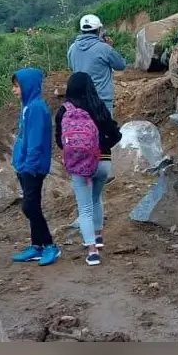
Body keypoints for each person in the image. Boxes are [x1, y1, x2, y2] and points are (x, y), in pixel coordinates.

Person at [55, 72, 122, 266]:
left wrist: (78, 152)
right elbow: (116, 135)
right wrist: (99, 148)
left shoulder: (63, 110)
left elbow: (60, 140)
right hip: (103, 162)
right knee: (96, 198)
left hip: (79, 166)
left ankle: (92, 252)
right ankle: (98, 236)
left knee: (84, 208)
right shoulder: (98, 106)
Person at [10, 68, 60, 266]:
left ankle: (49, 245)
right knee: (33, 205)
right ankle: (36, 246)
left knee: (29, 207)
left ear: (28, 86)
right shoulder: (28, 106)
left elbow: (36, 142)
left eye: (17, 86)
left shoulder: (36, 108)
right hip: (25, 165)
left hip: (33, 167)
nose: (14, 90)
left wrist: (28, 166)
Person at [67, 14, 126, 118]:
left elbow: (72, 67)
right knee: (104, 128)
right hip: (102, 100)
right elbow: (121, 65)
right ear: (98, 30)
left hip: (81, 100)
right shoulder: (104, 48)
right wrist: (110, 48)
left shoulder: (72, 48)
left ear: (81, 30)